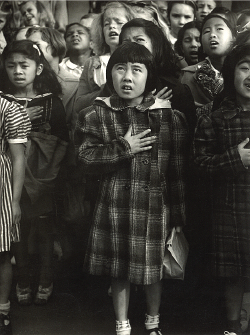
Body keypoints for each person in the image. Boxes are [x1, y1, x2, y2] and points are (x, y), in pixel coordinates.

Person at [75, 41, 188, 336]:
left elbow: (175, 171)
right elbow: (85, 159)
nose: (127, 77)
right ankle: (121, 325)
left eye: (137, 70)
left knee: (153, 272)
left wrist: (177, 215)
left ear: (149, 76)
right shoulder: (96, 115)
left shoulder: (168, 117)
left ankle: (153, 323)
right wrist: (125, 146)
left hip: (153, 206)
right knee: (118, 270)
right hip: (113, 206)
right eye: (120, 69)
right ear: (109, 74)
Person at [0, 39, 69, 306]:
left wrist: (52, 177)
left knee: (43, 228)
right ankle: (23, 277)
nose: (17, 70)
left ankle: (46, 276)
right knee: (16, 227)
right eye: (11, 65)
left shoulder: (51, 103)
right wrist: (22, 118)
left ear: (38, 69)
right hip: (9, 175)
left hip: (44, 174)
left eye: (24, 65)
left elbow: (62, 141)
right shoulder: (2, 101)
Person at [193, 42, 250, 335]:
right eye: (245, 67)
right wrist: (234, 159)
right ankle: (232, 326)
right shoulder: (215, 118)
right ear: (232, 73)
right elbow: (200, 163)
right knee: (234, 273)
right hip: (232, 206)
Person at [120, 18, 197, 135]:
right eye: (126, 42)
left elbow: (186, 136)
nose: (132, 46)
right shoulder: (116, 84)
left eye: (139, 40)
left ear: (155, 46)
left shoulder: (173, 89)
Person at [0, 96, 31, 335]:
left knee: (2, 253)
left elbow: (18, 157)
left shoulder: (8, 109)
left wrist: (15, 200)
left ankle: (3, 310)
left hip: (1, 187)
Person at [74, 1, 136, 113]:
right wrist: (106, 90)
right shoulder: (92, 63)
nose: (112, 26)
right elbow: (78, 104)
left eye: (119, 22)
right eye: (106, 24)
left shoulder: (143, 59)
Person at [25, 26, 79, 136]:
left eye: (36, 45)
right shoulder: (24, 82)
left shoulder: (75, 86)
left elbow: (75, 128)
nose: (29, 51)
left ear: (54, 47)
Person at [181, 12, 237, 107]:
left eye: (219, 29)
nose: (212, 35)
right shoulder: (188, 76)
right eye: (206, 31)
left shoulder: (244, 71)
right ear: (202, 46)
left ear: (234, 38)